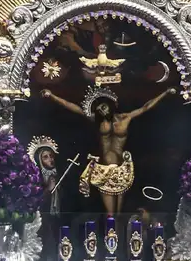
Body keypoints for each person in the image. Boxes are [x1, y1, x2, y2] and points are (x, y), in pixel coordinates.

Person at [41, 85, 176, 214]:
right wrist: (52, 96)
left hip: (122, 169)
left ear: (111, 106)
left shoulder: (125, 117)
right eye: (99, 108)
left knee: (119, 212)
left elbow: (146, 107)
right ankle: (110, 236)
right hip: (104, 170)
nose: (102, 109)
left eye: (104, 106)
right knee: (110, 213)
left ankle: (119, 235)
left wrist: (164, 93)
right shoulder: (97, 120)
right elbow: (72, 107)